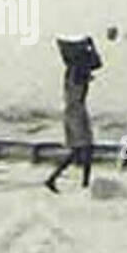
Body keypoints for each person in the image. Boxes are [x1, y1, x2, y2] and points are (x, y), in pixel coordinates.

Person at [45, 61, 96, 192]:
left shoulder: (70, 75)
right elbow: (82, 84)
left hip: (72, 112)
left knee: (80, 149)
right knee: (86, 148)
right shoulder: (76, 75)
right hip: (77, 113)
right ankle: (84, 183)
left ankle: (55, 178)